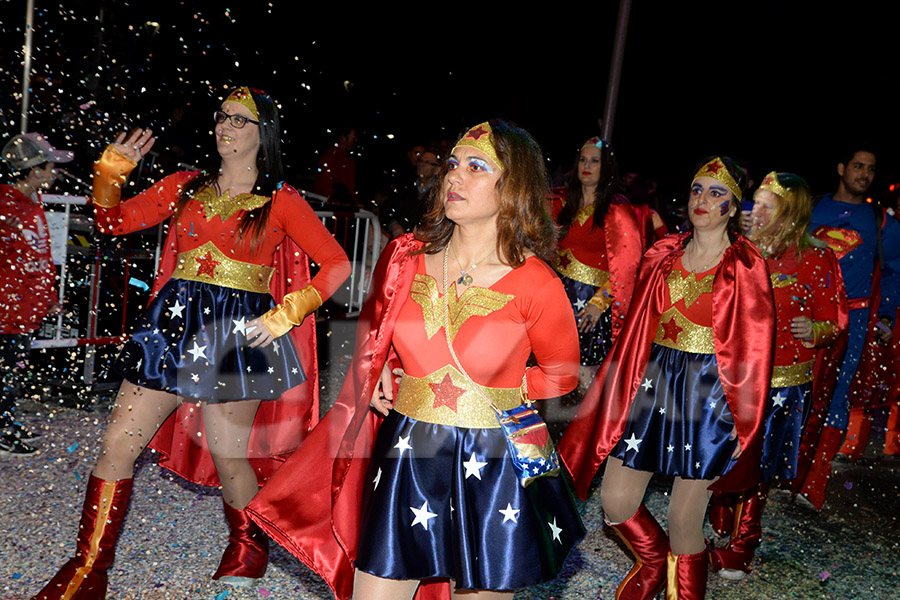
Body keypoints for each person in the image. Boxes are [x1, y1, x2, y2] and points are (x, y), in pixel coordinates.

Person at [33, 87, 351, 599]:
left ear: (263, 133)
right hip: (171, 329)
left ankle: (248, 543)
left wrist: (286, 314)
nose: (224, 126)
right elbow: (113, 221)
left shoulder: (282, 201)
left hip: (238, 337)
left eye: (239, 120)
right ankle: (89, 567)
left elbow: (337, 264)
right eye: (221, 117)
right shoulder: (185, 186)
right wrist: (111, 174)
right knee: (118, 444)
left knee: (229, 456)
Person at [246, 120, 584, 600]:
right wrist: (383, 362)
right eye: (452, 164)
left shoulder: (537, 282)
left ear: (515, 188)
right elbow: (375, 326)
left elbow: (562, 375)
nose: (454, 177)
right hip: (408, 448)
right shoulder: (406, 258)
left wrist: (497, 393)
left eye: (476, 166)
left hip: (492, 458)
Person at [559, 156, 775, 599]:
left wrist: (745, 421)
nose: (703, 199)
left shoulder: (745, 264)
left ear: (732, 208)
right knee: (616, 502)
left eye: (717, 193)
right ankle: (655, 561)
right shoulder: (662, 255)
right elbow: (636, 329)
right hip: (654, 385)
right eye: (697, 189)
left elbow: (756, 350)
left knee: (683, 518)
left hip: (711, 397)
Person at [707, 172, 848, 579]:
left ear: (792, 212)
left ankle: (743, 544)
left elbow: (834, 319)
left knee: (760, 467)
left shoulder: (818, 258)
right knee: (720, 452)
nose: (758, 211)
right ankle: (721, 514)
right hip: (733, 377)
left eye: (770, 204)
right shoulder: (740, 248)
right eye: (756, 201)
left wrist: (815, 330)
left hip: (784, 383)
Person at [795, 146, 900, 510]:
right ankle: (786, 472)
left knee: (837, 397)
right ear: (841, 168)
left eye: (871, 169)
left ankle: (815, 484)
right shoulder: (809, 208)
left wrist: (885, 316)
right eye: (858, 166)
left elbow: (894, 271)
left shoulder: (882, 220)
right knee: (794, 389)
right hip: (805, 318)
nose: (864, 174)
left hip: (853, 321)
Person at [549, 137, 646, 393]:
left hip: (589, 308)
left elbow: (628, 266)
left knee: (580, 388)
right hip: (554, 299)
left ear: (607, 168)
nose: (586, 165)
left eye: (594, 161)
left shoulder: (618, 211)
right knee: (548, 371)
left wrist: (598, 304)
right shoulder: (558, 202)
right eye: (582, 159)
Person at [0, 132, 72, 456]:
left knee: (13, 369)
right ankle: (1, 429)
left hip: (24, 309)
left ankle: (6, 420)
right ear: (33, 171)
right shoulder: (5, 206)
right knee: (4, 371)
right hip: (6, 310)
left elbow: (40, 254)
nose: (54, 172)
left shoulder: (33, 202)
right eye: (49, 166)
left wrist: (49, 295)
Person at [314, 125, 358, 205]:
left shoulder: (348, 158)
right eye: (353, 137)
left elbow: (350, 187)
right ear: (343, 137)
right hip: (333, 207)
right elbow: (325, 185)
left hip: (342, 206)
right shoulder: (331, 156)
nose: (355, 140)